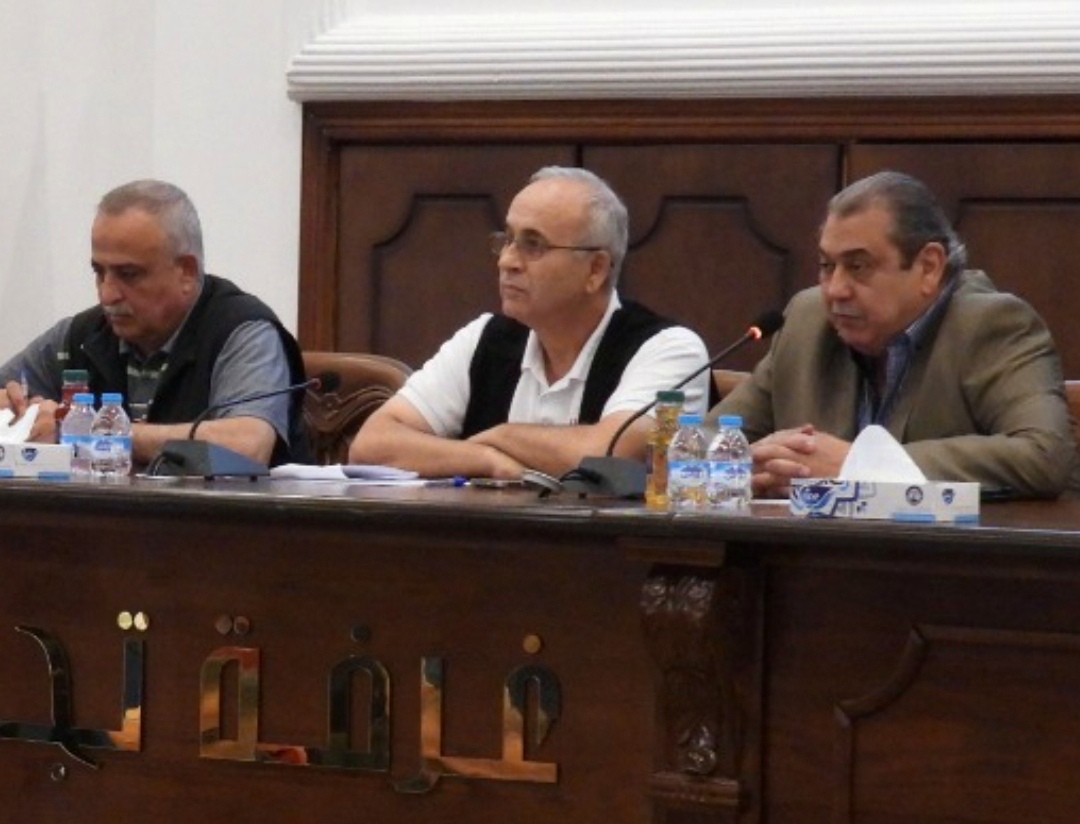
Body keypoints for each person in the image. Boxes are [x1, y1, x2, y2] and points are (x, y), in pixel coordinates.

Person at [714, 170, 1077, 499]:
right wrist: (752, 463)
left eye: (858, 266)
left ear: (928, 267)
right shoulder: (806, 322)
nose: (836, 289)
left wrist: (861, 465)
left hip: (941, 550)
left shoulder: (990, 325)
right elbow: (706, 440)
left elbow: (1043, 454)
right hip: (808, 549)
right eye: (827, 265)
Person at [348, 165, 710, 479]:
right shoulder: (484, 339)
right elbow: (372, 444)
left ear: (595, 270)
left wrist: (501, 436)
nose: (507, 261)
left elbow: (613, 453)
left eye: (533, 245)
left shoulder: (669, 349)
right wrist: (484, 459)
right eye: (508, 240)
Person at [0, 179, 308, 468]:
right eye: (99, 272)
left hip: (222, 510)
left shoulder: (242, 332)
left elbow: (246, 447)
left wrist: (83, 431)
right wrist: (12, 412)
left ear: (186, 272)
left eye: (128, 274)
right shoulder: (81, 337)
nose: (107, 294)